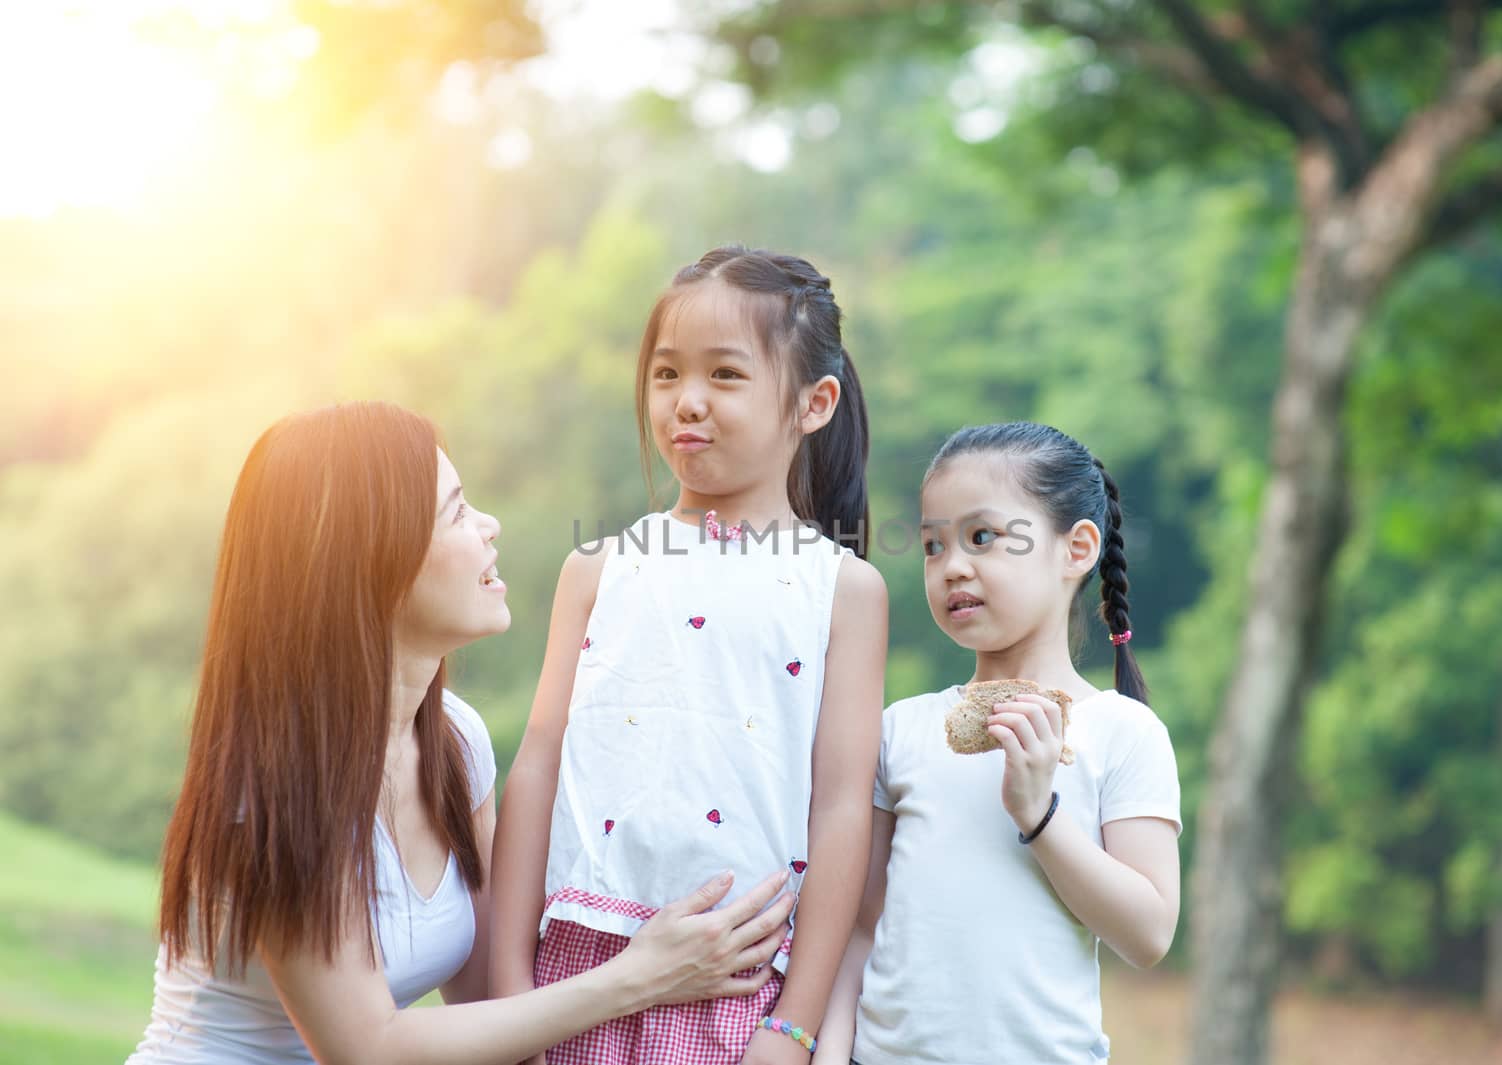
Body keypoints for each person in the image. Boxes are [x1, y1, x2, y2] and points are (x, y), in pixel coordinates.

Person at [129, 401, 793, 1065]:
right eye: (455, 513)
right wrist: (635, 977)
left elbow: (490, 1009)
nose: (489, 527)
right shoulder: (273, 788)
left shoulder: (455, 745)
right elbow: (366, 1048)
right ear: (367, 562)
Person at [490, 246, 888, 1065]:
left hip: (738, 989)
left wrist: (793, 1027)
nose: (687, 402)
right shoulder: (597, 569)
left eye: (726, 375)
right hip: (577, 974)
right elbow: (537, 767)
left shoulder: (841, 589)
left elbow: (843, 807)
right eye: (667, 374)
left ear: (813, 404)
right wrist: (510, 997)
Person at [817, 422, 1181, 1065]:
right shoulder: (901, 729)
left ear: (1077, 549)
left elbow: (1149, 933)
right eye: (933, 546)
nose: (952, 565)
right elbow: (860, 924)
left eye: (982, 537)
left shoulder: (1123, 731)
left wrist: (1039, 815)